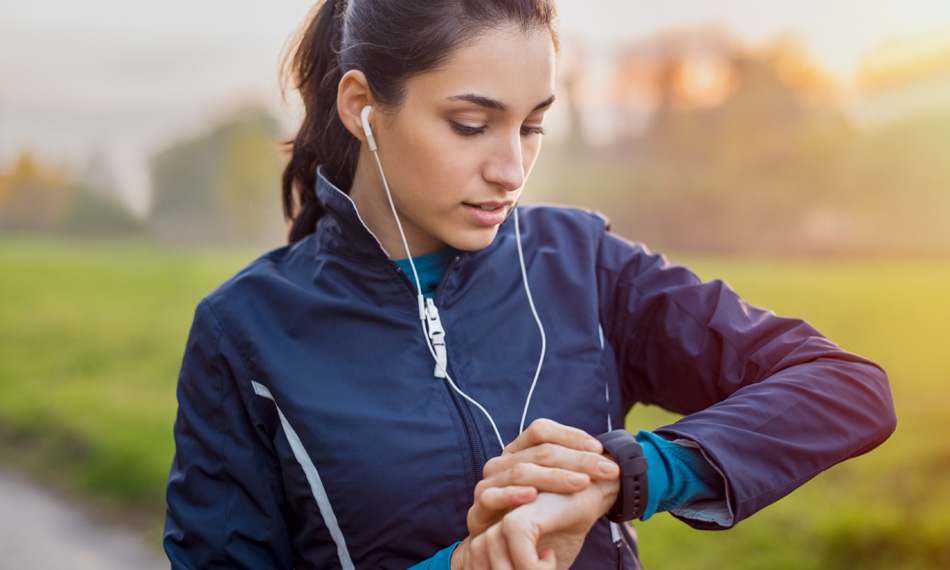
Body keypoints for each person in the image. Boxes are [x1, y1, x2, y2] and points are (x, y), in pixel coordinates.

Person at [163, 0, 897, 568]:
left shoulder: (586, 263)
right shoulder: (244, 333)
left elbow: (846, 389)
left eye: (533, 127)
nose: (511, 170)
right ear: (362, 106)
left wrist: (631, 471)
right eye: (472, 124)